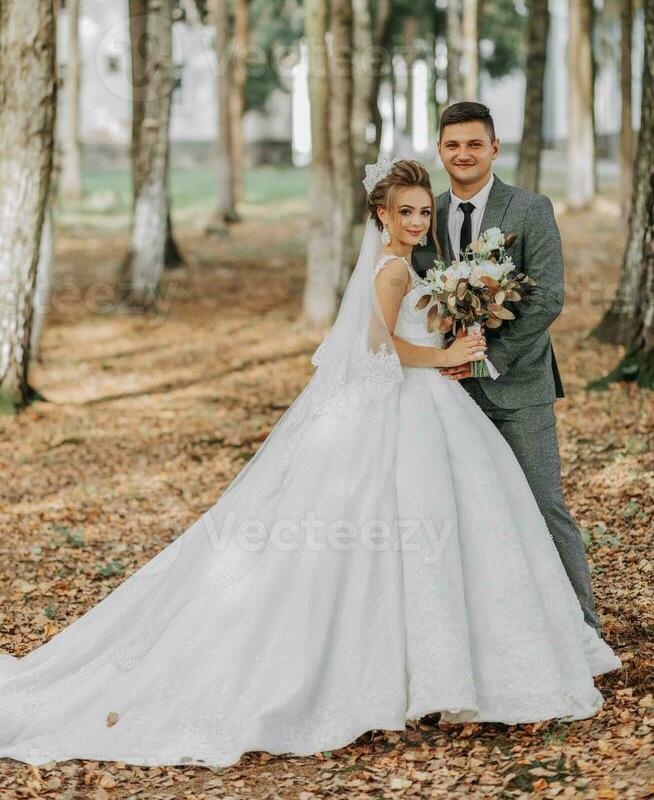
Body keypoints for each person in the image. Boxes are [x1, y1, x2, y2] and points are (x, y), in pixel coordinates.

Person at [0, 159, 620, 770]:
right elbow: (379, 350)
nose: (416, 221)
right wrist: (445, 354)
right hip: (404, 404)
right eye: (404, 212)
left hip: (422, 400)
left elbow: (407, 337)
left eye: (424, 212)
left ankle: (437, 669)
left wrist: (456, 340)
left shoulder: (406, 264)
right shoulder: (392, 270)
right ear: (380, 214)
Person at [413, 100, 603, 638]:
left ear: (494, 148)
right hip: (447, 394)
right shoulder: (425, 216)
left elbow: (548, 297)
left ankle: (581, 630)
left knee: (545, 507)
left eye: (475, 143)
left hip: (517, 386)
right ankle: (490, 635)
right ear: (441, 152)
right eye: (452, 145)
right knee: (466, 515)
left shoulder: (529, 208)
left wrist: (489, 359)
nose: (464, 154)